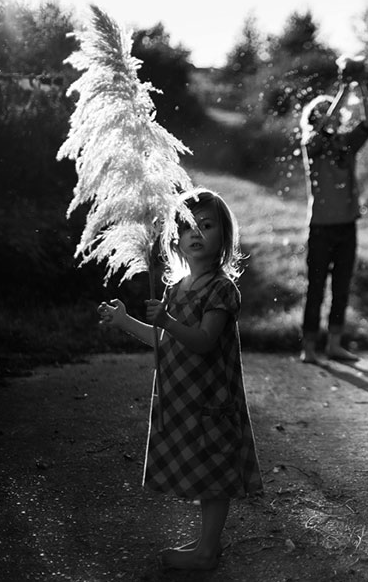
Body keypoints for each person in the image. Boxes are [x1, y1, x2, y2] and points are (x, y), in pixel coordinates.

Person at [96, 188, 263, 570]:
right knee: (203, 467)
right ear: (175, 238)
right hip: (184, 399)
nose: (197, 233)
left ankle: (207, 550)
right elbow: (162, 341)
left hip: (210, 397)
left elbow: (203, 342)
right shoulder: (174, 289)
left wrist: (168, 320)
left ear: (225, 237)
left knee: (215, 469)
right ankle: (207, 542)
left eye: (207, 226)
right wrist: (124, 321)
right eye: (188, 227)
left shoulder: (221, 289)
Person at [298, 54, 368, 364]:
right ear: (313, 119)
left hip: (347, 225)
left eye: (328, 110)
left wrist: (362, 88)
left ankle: (334, 344)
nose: (326, 114)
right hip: (320, 227)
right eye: (320, 111)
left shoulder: (346, 143)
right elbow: (327, 123)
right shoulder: (311, 146)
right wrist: (343, 91)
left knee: (341, 288)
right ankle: (308, 347)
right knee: (316, 288)